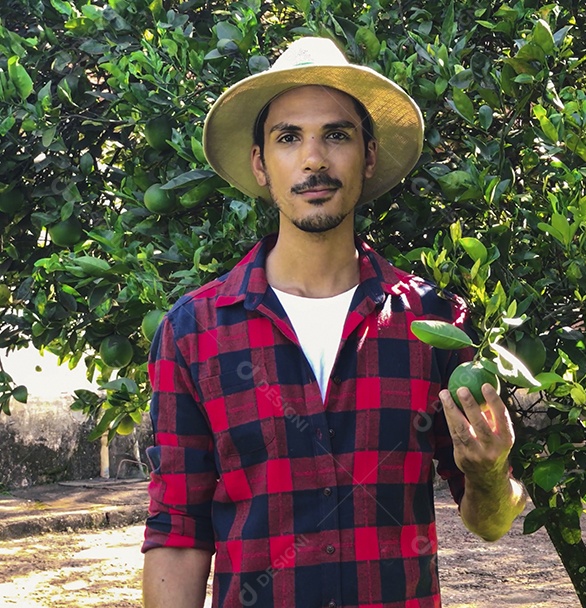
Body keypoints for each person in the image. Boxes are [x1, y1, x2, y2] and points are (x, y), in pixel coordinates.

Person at [141, 37, 527, 608]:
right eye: (289, 137)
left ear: (368, 157)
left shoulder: (434, 323)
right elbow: (177, 529)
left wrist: (491, 476)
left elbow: (489, 523)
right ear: (260, 164)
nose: (314, 159)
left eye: (337, 135)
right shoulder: (193, 331)